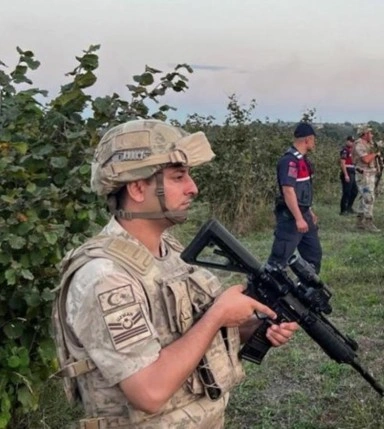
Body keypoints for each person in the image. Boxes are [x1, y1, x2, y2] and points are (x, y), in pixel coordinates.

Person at [51, 119, 299, 429]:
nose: (192, 187)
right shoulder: (105, 276)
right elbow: (149, 391)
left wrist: (250, 327)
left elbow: (186, 337)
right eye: (178, 177)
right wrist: (219, 314)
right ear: (138, 187)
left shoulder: (167, 251)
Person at [267, 122, 323, 273]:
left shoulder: (303, 160)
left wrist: (308, 211)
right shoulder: (289, 161)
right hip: (290, 217)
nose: (314, 143)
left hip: (304, 214)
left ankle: (307, 292)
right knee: (278, 261)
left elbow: (302, 190)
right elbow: (288, 191)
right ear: (307, 140)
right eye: (313, 140)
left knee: (313, 256)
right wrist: (298, 218)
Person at [354, 125, 381, 232]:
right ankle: (368, 222)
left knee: (364, 197)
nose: (372, 135)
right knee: (369, 198)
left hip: (370, 174)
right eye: (370, 133)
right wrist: (375, 153)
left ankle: (359, 221)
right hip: (363, 176)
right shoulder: (359, 145)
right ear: (364, 134)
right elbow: (366, 159)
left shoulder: (370, 144)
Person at [339, 135, 358, 215]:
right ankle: (343, 210)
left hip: (352, 171)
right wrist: (346, 174)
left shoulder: (352, 151)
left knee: (354, 191)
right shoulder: (345, 151)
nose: (352, 143)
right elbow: (342, 163)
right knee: (346, 192)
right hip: (347, 172)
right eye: (350, 141)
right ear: (347, 141)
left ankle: (349, 207)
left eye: (353, 142)